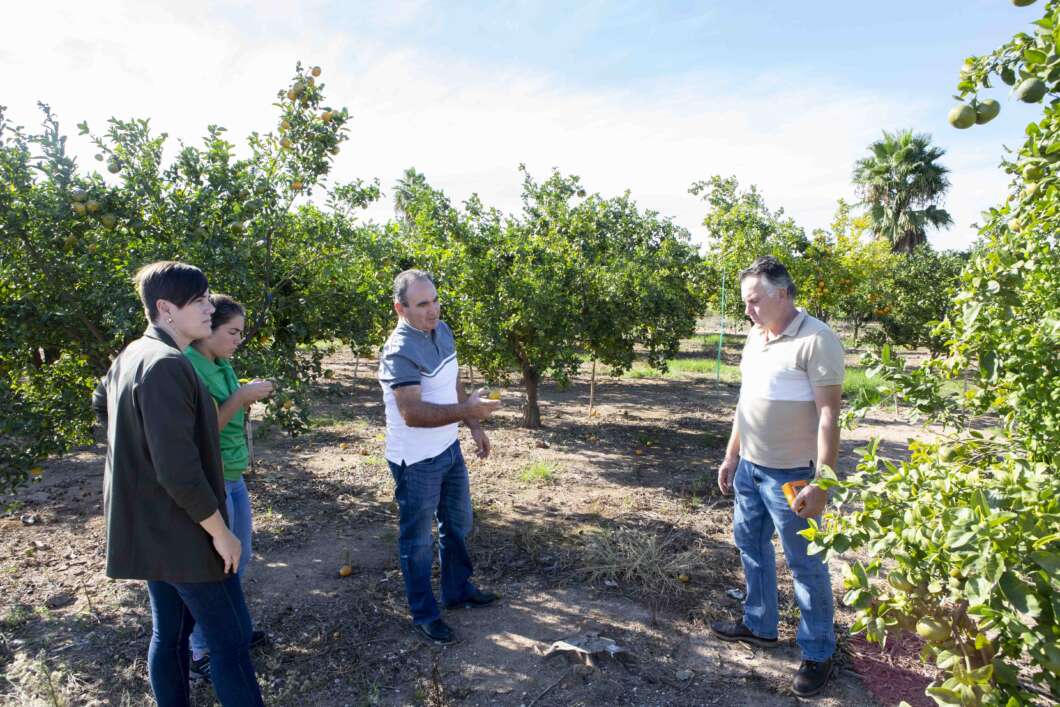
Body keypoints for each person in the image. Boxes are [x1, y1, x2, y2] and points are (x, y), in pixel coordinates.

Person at [91, 262, 264, 707]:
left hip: (155, 528)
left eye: (208, 297)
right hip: (185, 534)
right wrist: (221, 533)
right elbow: (178, 468)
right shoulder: (167, 365)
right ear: (166, 308)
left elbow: (103, 411)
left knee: (170, 635)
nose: (210, 307)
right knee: (232, 639)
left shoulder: (132, 354)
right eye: (199, 300)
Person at [711, 256, 844, 698]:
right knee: (749, 544)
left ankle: (819, 651)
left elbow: (828, 415)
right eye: (747, 301)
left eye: (754, 301)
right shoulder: (756, 336)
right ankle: (760, 623)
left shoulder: (816, 339)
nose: (747, 310)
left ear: (781, 294)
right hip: (750, 467)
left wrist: (823, 482)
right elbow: (746, 402)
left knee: (806, 563)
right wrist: (732, 456)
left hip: (792, 474)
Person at [377, 269, 501, 644]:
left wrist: (472, 422)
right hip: (416, 461)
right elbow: (412, 413)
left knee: (458, 524)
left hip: (448, 449)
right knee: (417, 542)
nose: (433, 310)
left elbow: (451, 379)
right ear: (401, 309)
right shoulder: (399, 350)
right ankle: (424, 614)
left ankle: (457, 590)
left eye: (435, 300)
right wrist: (469, 410)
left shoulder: (441, 331)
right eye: (422, 304)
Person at [183, 294, 274, 682]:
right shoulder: (190, 369)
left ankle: (233, 631)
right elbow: (202, 434)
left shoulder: (220, 364)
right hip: (215, 480)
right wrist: (240, 397)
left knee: (242, 556)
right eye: (231, 332)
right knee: (220, 566)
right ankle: (202, 649)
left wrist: (241, 397)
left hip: (233, 477)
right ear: (207, 331)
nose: (238, 339)